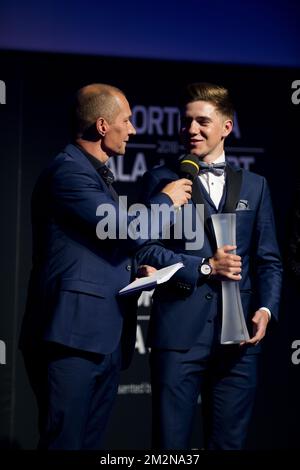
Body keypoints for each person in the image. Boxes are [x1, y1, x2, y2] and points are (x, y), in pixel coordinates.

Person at [19, 83, 192, 449]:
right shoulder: (68, 173)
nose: (132, 130)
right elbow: (124, 230)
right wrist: (166, 199)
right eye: (126, 121)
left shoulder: (96, 177)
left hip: (102, 339)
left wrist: (138, 271)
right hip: (71, 339)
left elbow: (104, 246)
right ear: (102, 126)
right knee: (64, 444)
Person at [136, 82, 282, 449]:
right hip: (179, 335)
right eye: (186, 123)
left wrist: (265, 309)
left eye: (202, 122)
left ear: (226, 127)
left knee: (230, 443)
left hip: (240, 341)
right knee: (170, 447)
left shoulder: (256, 185)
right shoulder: (160, 181)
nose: (192, 131)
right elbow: (144, 249)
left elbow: (268, 259)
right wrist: (203, 266)